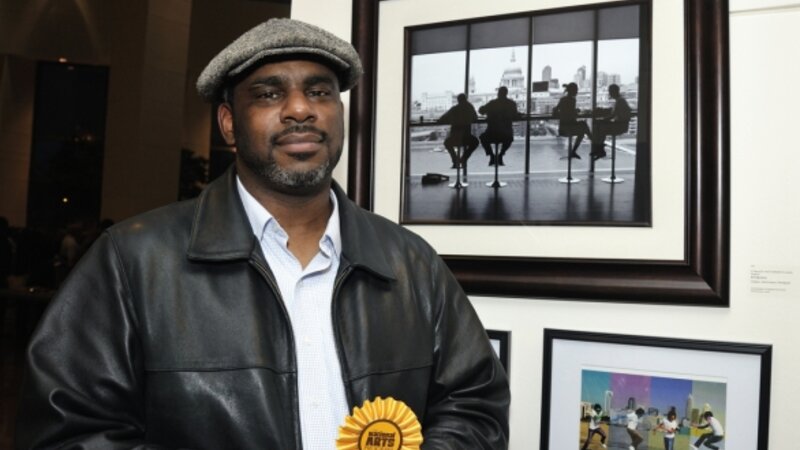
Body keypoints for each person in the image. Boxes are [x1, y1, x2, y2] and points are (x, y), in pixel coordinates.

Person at [15, 18, 509, 450]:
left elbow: (475, 406)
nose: (300, 109)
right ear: (229, 124)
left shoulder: (409, 261)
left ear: (340, 113)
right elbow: (68, 433)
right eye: (270, 94)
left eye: (319, 92)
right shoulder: (132, 260)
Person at [478, 86, 520, 166]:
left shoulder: (492, 103)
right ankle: (501, 154)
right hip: (506, 134)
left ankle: (491, 156)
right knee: (510, 139)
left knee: (482, 138)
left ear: (498, 94)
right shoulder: (511, 104)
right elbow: (515, 116)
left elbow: (481, 111)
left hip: (492, 133)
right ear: (506, 94)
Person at [591, 83, 631, 160]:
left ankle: (599, 149)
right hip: (621, 124)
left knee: (599, 127)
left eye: (610, 91)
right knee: (599, 126)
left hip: (620, 126)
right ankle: (599, 149)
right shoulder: (621, 100)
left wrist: (602, 119)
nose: (609, 93)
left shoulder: (619, 101)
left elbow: (613, 115)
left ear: (613, 92)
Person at [437, 93, 479, 168]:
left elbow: (441, 119)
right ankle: (463, 158)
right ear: (466, 99)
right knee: (475, 142)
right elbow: (475, 118)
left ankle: (455, 160)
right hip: (466, 138)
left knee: (447, 143)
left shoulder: (454, 109)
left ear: (458, 100)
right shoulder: (470, 108)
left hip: (455, 138)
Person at [552, 82, 592, 159]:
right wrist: (576, 111)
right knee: (584, 126)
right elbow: (572, 115)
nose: (577, 92)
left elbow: (557, 111)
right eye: (576, 90)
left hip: (563, 129)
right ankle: (594, 143)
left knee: (583, 130)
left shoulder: (562, 99)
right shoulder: (572, 100)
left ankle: (594, 144)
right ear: (573, 91)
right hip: (569, 128)